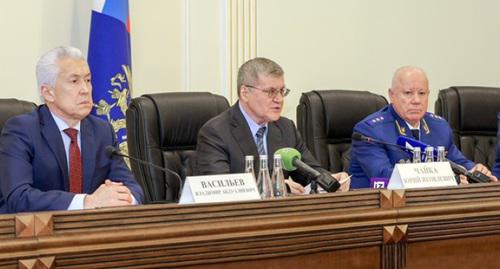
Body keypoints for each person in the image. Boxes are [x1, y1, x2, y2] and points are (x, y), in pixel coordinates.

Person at [0, 46, 143, 213]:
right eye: (74, 81)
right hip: (33, 233)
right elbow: (19, 197)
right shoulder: (22, 130)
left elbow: (132, 187)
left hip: (91, 233)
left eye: (88, 80)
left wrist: (123, 198)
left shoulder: (101, 131)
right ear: (48, 93)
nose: (85, 89)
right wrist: (88, 201)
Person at [196, 57, 350, 194]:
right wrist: (277, 186)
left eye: (282, 91)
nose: (279, 99)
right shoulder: (215, 132)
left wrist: (327, 178)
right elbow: (220, 190)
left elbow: (308, 171)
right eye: (270, 92)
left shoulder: (286, 128)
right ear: (245, 93)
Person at [349, 66, 497, 189]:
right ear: (392, 95)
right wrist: (448, 179)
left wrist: (474, 169)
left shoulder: (439, 127)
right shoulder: (370, 131)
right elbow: (386, 176)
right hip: (378, 211)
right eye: (408, 93)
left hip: (429, 208)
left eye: (422, 93)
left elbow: (457, 161)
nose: (416, 101)